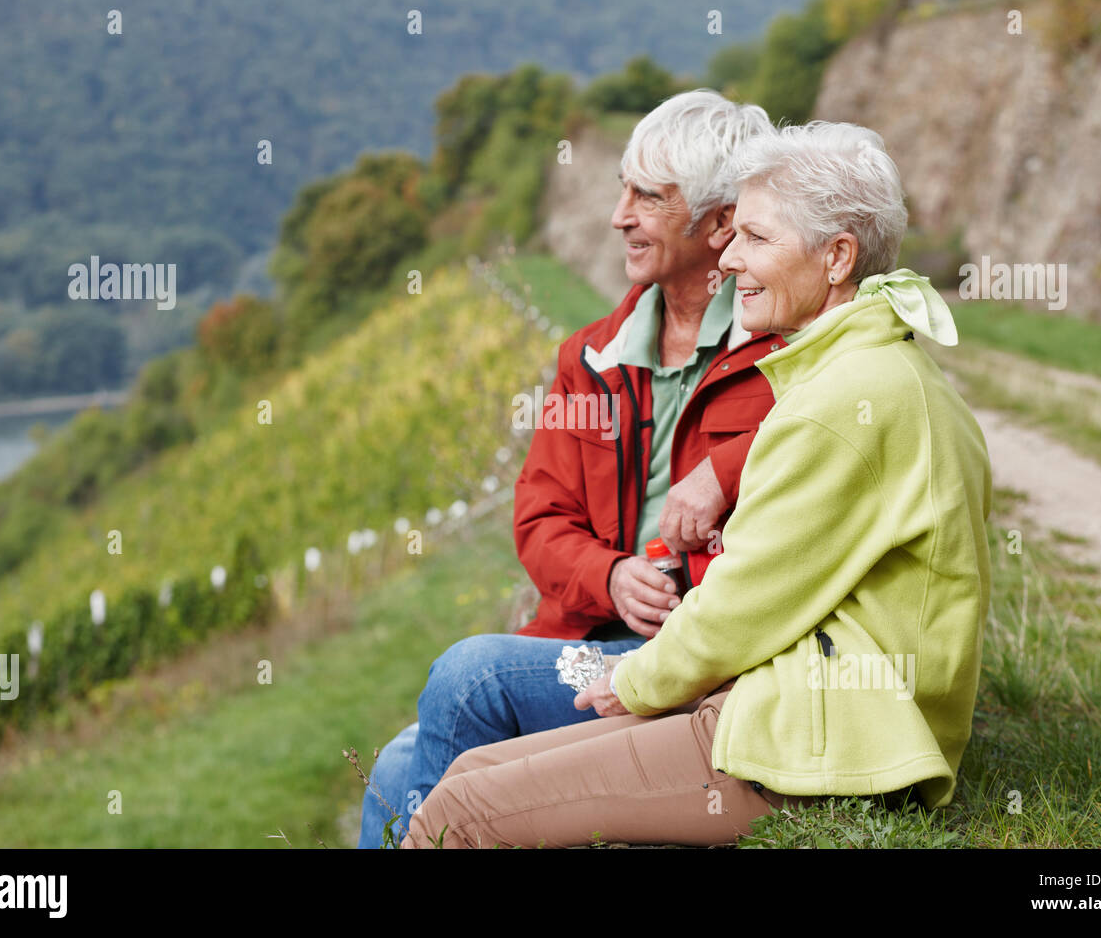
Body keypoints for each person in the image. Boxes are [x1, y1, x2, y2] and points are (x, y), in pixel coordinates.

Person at [400, 121, 994, 848]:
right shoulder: (868, 372)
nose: (731, 257)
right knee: (467, 778)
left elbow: (747, 601)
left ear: (837, 256)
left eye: (756, 238)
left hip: (819, 742)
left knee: (457, 817)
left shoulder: (843, 401)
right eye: (732, 233)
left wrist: (634, 684)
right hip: (804, 709)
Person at [357, 89, 785, 847]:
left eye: (647, 197)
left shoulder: (785, 354)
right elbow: (539, 518)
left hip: (707, 661)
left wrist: (727, 465)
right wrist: (612, 575)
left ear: (721, 222)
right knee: (395, 766)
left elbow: (857, 411)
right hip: (596, 644)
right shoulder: (591, 358)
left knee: (472, 676)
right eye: (622, 188)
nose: (618, 215)